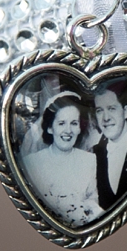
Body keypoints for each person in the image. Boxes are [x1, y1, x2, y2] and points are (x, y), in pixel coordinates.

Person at [20, 93, 102, 227]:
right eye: (61, 123)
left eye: (74, 123)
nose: (68, 130)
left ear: (80, 128)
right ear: (50, 128)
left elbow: (92, 201)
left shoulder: (89, 160)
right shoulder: (32, 162)